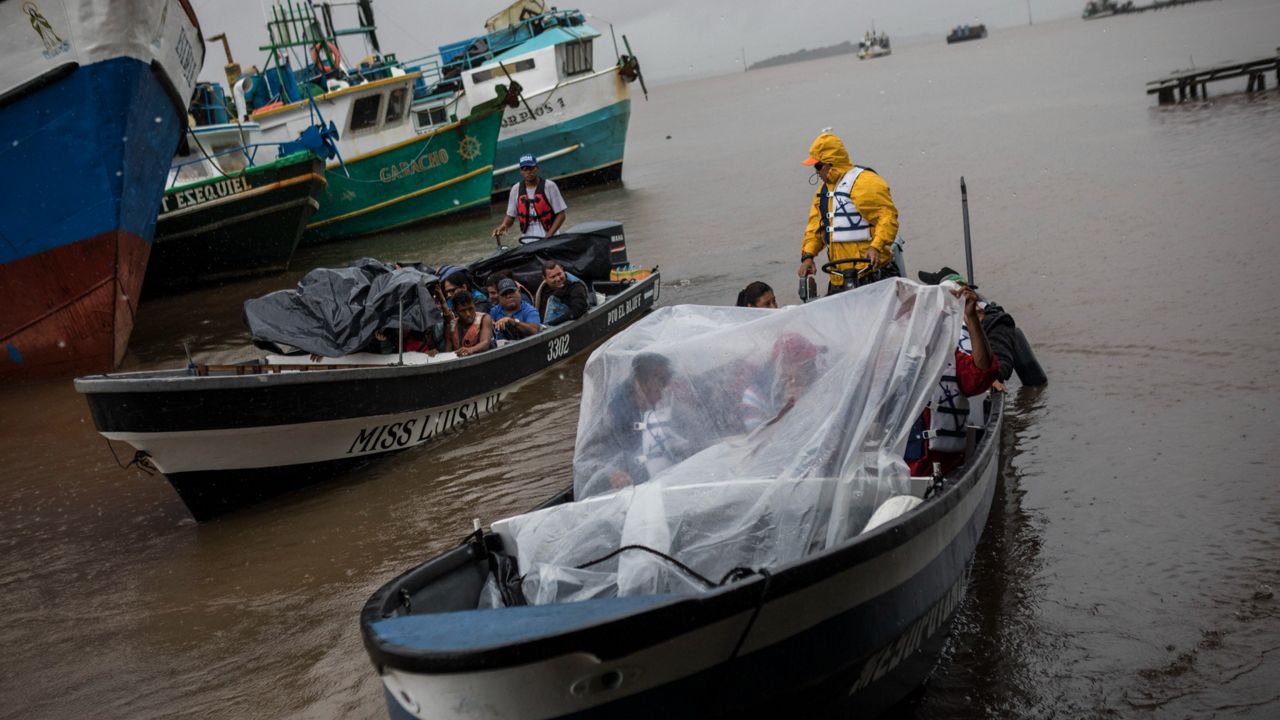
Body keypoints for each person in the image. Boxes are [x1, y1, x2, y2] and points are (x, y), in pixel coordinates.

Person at [908, 278, 1000, 476]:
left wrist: (971, 319)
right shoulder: (889, 362)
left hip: (942, 468)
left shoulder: (953, 360)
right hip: (897, 471)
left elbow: (983, 373)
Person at [798, 131, 900, 294]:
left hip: (872, 274)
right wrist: (808, 256)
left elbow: (887, 217)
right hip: (839, 278)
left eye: (818, 166)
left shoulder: (866, 183)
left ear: (829, 164)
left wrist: (876, 247)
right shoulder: (823, 192)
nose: (817, 172)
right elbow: (815, 228)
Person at [588, 353, 678, 493]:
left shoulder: (655, 406)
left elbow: (673, 437)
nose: (662, 394)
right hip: (622, 489)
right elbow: (586, 458)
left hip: (655, 479)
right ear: (642, 384)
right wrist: (612, 473)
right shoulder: (610, 412)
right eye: (661, 384)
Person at [739, 333, 825, 432]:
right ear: (782, 367)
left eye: (812, 361)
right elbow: (758, 437)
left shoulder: (818, 379)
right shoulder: (754, 396)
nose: (812, 366)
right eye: (805, 364)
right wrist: (787, 408)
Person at [491, 154, 567, 241]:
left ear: (537, 168)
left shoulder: (550, 186)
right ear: (521, 171)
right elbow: (510, 216)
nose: (528, 172)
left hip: (550, 237)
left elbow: (561, 215)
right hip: (527, 240)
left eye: (531, 168)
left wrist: (549, 236)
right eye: (525, 169)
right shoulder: (515, 189)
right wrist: (504, 225)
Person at [536, 259, 589, 326]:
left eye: (559, 274)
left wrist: (551, 324)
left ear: (563, 270)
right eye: (553, 277)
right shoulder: (543, 289)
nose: (558, 279)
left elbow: (578, 310)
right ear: (545, 278)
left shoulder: (575, 286)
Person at [446, 290, 494, 357]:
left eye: (470, 308)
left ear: (475, 306)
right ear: (455, 312)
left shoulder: (485, 319)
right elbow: (447, 353)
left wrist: (470, 350)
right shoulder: (451, 326)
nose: (468, 314)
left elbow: (485, 343)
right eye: (463, 311)